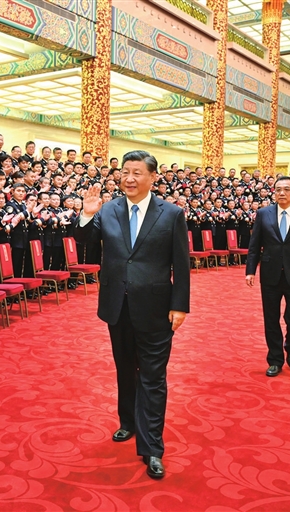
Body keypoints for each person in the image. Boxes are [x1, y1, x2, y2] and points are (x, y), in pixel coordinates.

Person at [74, 150, 190, 480]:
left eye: (137, 173)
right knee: (125, 368)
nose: (129, 178)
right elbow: (85, 244)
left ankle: (152, 448)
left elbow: (181, 263)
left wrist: (180, 305)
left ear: (153, 177)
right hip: (117, 305)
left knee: (153, 377)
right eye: (125, 172)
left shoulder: (171, 214)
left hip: (156, 308)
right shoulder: (108, 209)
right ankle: (128, 421)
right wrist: (86, 215)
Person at [245, 176, 290, 377]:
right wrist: (250, 270)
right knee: (271, 318)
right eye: (278, 189)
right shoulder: (263, 213)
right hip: (270, 274)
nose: (282, 193)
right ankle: (275, 359)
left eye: (286, 189)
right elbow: (254, 245)